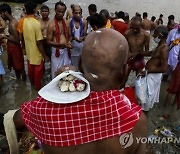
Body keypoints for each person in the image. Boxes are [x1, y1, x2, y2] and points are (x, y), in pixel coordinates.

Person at [8, 28, 147, 154]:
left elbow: (13, 120)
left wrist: (59, 84)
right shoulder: (136, 120)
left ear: (79, 63)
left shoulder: (42, 109)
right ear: (124, 73)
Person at [17, 1, 48, 90]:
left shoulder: (22, 21)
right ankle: (36, 96)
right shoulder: (36, 23)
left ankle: (31, 92)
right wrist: (44, 55)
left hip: (29, 55)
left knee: (31, 78)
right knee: (38, 82)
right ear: (35, 9)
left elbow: (20, 37)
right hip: (37, 55)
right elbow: (39, 42)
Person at [139, 26, 169, 111]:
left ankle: (144, 113)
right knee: (143, 95)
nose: (153, 36)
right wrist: (138, 53)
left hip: (152, 75)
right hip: (149, 73)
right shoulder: (160, 45)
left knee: (147, 97)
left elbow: (164, 68)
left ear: (160, 35)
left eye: (155, 34)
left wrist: (148, 71)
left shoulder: (164, 49)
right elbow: (151, 53)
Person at [0, 3, 26, 81]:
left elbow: (17, 40)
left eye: (1, 13)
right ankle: (19, 85)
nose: (1, 16)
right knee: (16, 68)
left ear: (6, 13)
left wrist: (5, 37)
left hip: (15, 49)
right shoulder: (11, 22)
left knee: (20, 68)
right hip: (12, 48)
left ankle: (23, 84)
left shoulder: (13, 23)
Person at [47, 1, 72, 79]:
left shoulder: (67, 22)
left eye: (62, 12)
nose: (61, 14)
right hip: (56, 52)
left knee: (67, 73)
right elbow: (48, 41)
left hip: (66, 51)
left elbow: (70, 36)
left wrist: (69, 42)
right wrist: (61, 45)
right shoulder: (51, 25)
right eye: (59, 11)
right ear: (55, 11)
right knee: (56, 73)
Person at [125, 16, 150, 85]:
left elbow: (147, 52)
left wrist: (137, 53)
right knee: (123, 80)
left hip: (139, 59)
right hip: (129, 58)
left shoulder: (146, 35)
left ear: (141, 26)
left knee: (139, 82)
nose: (134, 30)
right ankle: (121, 94)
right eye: (133, 28)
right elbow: (124, 48)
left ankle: (136, 95)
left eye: (137, 28)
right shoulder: (127, 33)